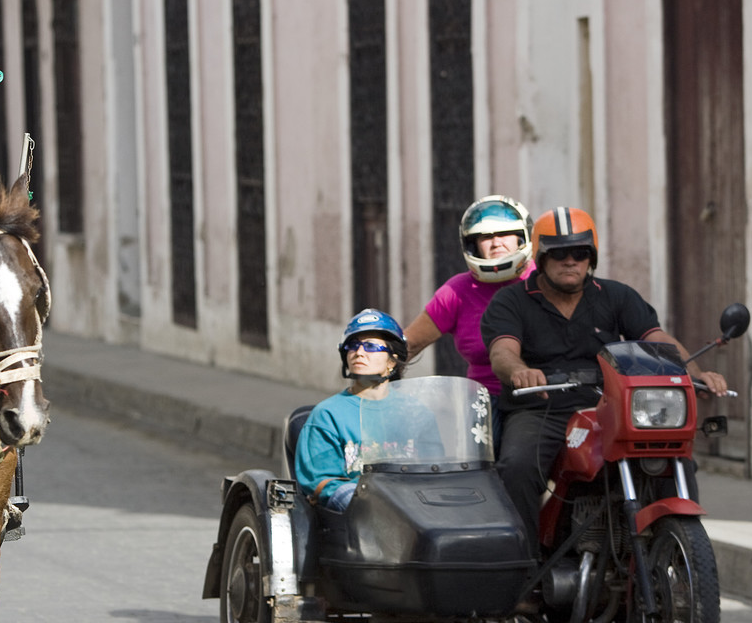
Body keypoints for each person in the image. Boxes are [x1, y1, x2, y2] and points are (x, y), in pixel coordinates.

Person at [481, 207, 728, 552]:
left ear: (591, 257)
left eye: (579, 253)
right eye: (559, 254)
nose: (570, 261)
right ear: (541, 257)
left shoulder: (615, 296)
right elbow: (502, 351)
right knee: (518, 467)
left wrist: (695, 373)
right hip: (541, 408)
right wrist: (518, 370)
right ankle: (522, 571)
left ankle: (676, 553)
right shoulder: (511, 301)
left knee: (671, 460)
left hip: (605, 406)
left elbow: (655, 338)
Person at [403, 194, 535, 435]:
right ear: (472, 245)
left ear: (521, 238)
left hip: (543, 398)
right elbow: (407, 345)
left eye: (505, 234)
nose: (496, 243)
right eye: (485, 237)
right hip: (482, 404)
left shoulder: (545, 282)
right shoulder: (456, 291)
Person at [295, 309, 418, 512]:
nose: (359, 353)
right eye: (353, 346)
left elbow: (436, 471)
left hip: (414, 508)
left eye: (370, 346)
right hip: (356, 516)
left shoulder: (416, 412)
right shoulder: (327, 415)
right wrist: (368, 501)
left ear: (392, 361)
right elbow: (322, 482)